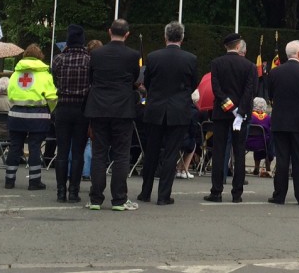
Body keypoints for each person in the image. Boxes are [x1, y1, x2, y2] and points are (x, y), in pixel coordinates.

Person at [85, 19, 141, 211]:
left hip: (99, 107)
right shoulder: (133, 55)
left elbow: (90, 77)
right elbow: (135, 78)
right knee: (121, 155)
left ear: (109, 32)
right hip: (123, 108)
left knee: (99, 154)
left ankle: (95, 198)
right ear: (127, 34)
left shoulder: (96, 54)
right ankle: (119, 198)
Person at [140, 21, 198, 206]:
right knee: (171, 153)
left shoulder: (153, 56)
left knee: (152, 152)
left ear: (165, 37)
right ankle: (164, 195)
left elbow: (147, 82)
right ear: (182, 37)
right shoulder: (191, 59)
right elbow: (193, 84)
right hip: (179, 110)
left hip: (156, 108)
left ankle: (145, 192)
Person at [205, 34, 257, 203]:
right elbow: (250, 91)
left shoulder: (217, 63)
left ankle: (216, 191)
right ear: (238, 46)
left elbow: (217, 89)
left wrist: (230, 107)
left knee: (219, 151)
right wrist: (239, 111)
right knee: (239, 151)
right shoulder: (249, 66)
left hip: (221, 113)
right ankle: (237, 193)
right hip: (241, 115)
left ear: (226, 46)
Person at [267, 40, 299, 206]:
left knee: (282, 159)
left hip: (280, 121)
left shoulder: (275, 72)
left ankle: (279, 195)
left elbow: (271, 95)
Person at [5, 43, 57, 191]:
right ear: (40, 57)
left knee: (15, 146)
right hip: (38, 115)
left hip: (16, 114)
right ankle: (34, 182)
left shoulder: (15, 74)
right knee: (34, 147)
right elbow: (52, 97)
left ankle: (9, 180)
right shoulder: (44, 75)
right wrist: (50, 110)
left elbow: (10, 94)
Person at [51, 24, 91, 203]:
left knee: (62, 151)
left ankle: (60, 192)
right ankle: (74, 191)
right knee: (78, 152)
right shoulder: (89, 60)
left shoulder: (58, 60)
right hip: (82, 109)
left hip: (63, 107)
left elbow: (55, 81)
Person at [247, 97, 273, 178]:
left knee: (257, 140)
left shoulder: (249, 116)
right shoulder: (268, 118)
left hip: (247, 143)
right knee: (267, 140)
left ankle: (256, 167)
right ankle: (268, 166)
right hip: (263, 144)